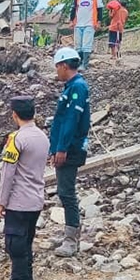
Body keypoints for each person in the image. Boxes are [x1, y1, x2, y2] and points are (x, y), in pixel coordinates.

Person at [0, 95, 49, 280]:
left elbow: (8, 173)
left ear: (14, 115)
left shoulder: (16, 139)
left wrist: (1, 201)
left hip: (18, 201)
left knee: (15, 246)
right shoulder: (43, 137)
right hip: (35, 200)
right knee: (26, 242)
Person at [49, 46, 92, 257]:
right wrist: (54, 147)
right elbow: (60, 121)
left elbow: (71, 121)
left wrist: (62, 148)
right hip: (64, 147)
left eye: (57, 67)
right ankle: (69, 232)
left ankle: (71, 239)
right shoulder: (71, 87)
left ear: (64, 65)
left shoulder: (78, 88)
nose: (56, 71)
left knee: (67, 192)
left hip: (71, 148)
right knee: (63, 191)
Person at [69, 0, 102, 70]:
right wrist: (71, 21)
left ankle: (85, 64)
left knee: (86, 45)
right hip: (78, 24)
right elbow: (73, 9)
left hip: (90, 24)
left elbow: (100, 11)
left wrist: (99, 22)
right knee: (78, 45)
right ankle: (78, 63)